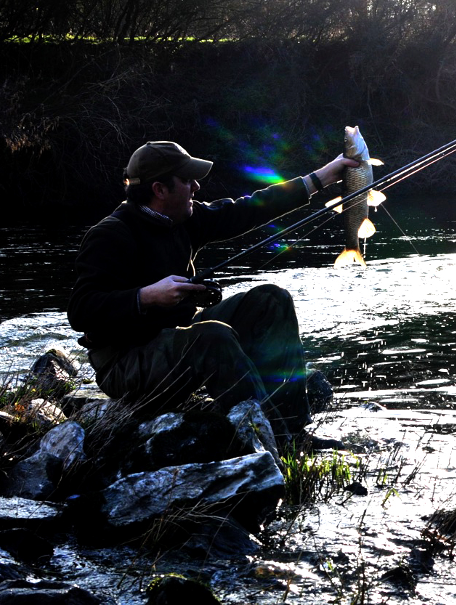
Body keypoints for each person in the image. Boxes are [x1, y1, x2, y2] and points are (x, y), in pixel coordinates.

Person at [67, 140, 357, 446]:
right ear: (159, 190)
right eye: (187, 180)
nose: (196, 187)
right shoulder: (111, 233)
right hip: (124, 365)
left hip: (175, 339)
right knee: (212, 337)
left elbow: (250, 208)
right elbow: (81, 310)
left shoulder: (185, 218)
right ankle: (271, 440)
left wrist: (324, 177)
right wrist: (147, 296)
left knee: (272, 300)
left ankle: (293, 429)